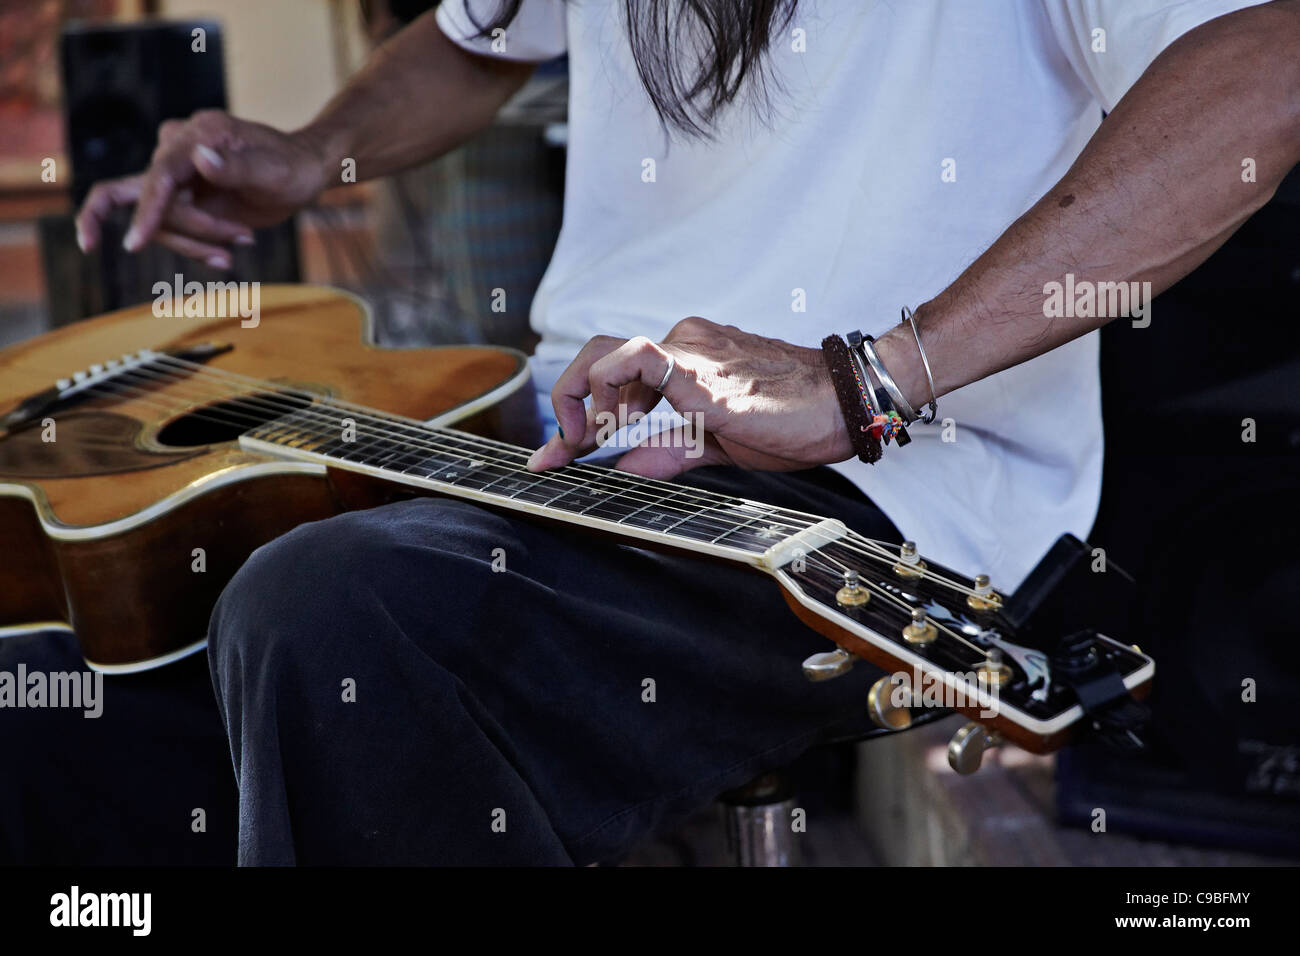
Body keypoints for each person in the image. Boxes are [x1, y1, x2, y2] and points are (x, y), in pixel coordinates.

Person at [72, 0, 1300, 865]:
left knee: (336, 614)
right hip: (574, 446)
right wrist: (306, 155)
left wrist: (866, 377)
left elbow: (1264, 62)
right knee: (71, 683)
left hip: (894, 489)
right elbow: (479, 33)